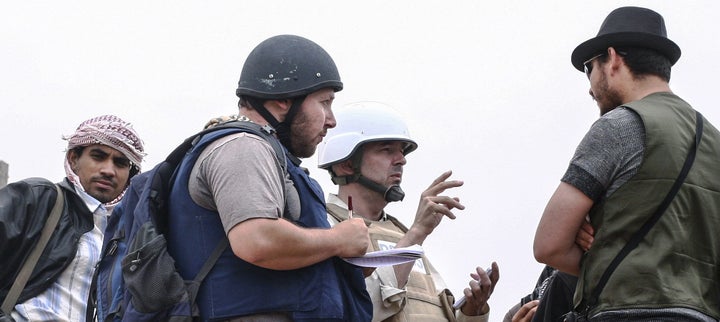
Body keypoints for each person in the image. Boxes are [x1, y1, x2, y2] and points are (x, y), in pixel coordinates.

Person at [166, 34, 373, 321]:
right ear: (283, 100)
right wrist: (337, 240)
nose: (331, 119)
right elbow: (256, 240)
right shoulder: (242, 147)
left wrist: (347, 256)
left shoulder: (271, 155)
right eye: (324, 102)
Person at [533, 6, 720, 320]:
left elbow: (548, 246)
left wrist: (605, 246)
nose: (589, 86)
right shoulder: (715, 142)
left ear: (613, 59)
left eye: (589, 68)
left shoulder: (620, 125)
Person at [317, 101, 499, 322]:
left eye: (402, 152)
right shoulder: (324, 227)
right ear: (346, 164)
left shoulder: (398, 232)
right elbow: (355, 311)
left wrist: (473, 311)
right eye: (386, 150)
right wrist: (417, 233)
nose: (401, 160)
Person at [0, 114, 145, 321]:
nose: (108, 170)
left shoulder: (131, 234)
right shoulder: (39, 198)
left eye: (120, 163)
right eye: (98, 156)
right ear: (73, 159)